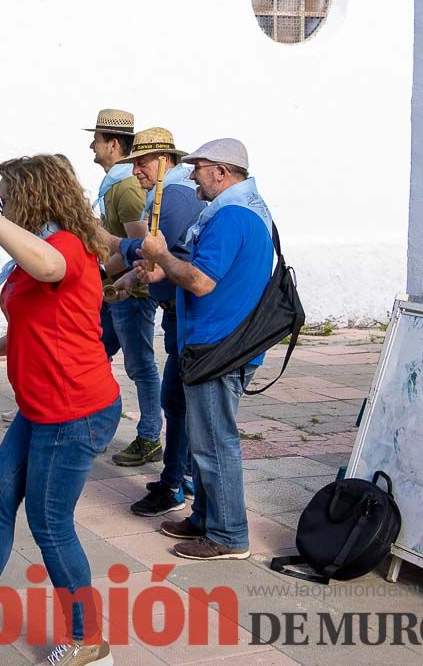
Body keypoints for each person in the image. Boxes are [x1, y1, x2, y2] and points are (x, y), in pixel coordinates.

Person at [0, 155, 122, 666]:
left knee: (50, 521)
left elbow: (50, 269)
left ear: (31, 196)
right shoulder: (41, 245)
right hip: (42, 405)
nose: (4, 203)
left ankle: (89, 641)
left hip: (74, 407)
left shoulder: (65, 247)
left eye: (9, 195)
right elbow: (43, 318)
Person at [137, 138, 273, 561]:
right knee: (207, 440)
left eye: (199, 167)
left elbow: (201, 281)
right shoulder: (247, 210)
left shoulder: (230, 216)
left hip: (219, 345)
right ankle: (205, 518)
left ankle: (229, 535)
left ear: (222, 172)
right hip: (225, 342)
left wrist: (161, 255)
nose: (192, 174)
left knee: (215, 444)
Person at [108, 128, 206, 517]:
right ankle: (183, 477)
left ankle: (175, 483)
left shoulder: (176, 196)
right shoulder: (164, 195)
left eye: (144, 162)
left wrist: (112, 245)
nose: (137, 170)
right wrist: (132, 276)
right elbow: (163, 257)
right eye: (134, 163)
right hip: (178, 315)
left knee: (178, 401)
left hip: (188, 318)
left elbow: (167, 255)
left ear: (166, 161)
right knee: (180, 401)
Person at [85, 108, 163, 467]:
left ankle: (149, 436)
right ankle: (94, 430)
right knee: (94, 358)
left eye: (97, 140)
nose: (92, 146)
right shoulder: (115, 184)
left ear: (113, 143)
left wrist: (98, 265)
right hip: (112, 289)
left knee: (140, 366)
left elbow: (137, 247)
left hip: (132, 293)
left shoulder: (126, 187)